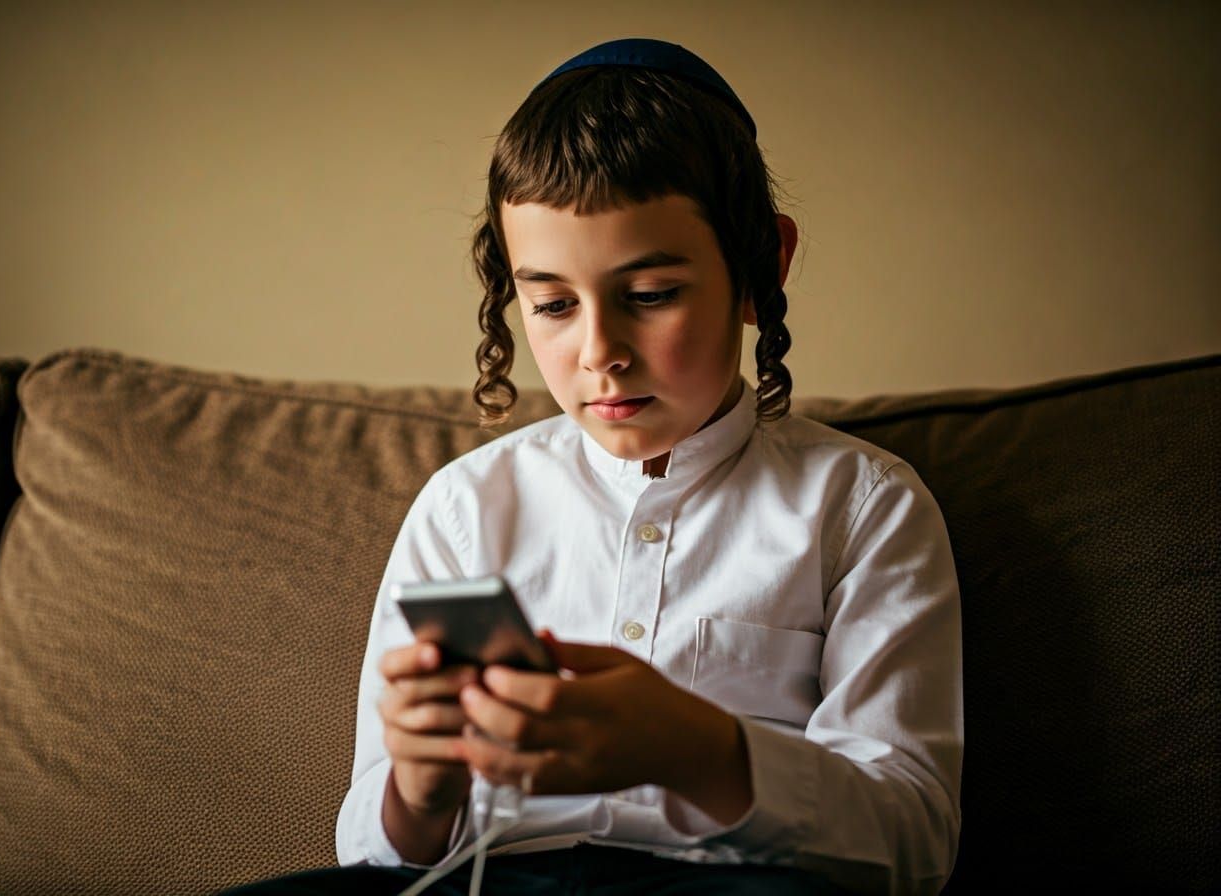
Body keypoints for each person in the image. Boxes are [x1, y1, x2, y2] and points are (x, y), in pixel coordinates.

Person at [220, 37, 962, 896]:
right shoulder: (466, 507)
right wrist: (419, 793)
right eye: (553, 305)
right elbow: (371, 850)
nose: (599, 352)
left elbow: (913, 842)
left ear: (763, 266)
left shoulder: (863, 508)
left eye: (650, 296)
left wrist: (699, 749)